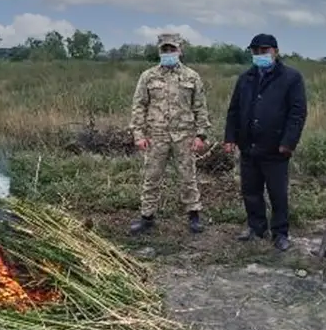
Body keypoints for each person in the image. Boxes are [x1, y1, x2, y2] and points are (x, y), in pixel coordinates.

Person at [223, 33, 307, 251]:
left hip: (276, 147)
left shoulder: (291, 78)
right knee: (250, 190)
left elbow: (297, 113)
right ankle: (256, 227)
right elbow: (234, 110)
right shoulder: (246, 78)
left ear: (275, 52)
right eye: (256, 51)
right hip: (248, 146)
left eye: (264, 51)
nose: (260, 55)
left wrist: (288, 142)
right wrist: (230, 137)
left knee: (277, 193)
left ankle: (280, 233)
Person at [129, 32, 211, 235]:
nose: (168, 52)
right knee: (151, 177)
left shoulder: (191, 77)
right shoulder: (148, 76)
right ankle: (147, 217)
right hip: (156, 136)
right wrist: (139, 135)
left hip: (184, 136)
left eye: (172, 48)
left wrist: (201, 135)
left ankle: (194, 216)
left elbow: (200, 107)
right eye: (164, 49)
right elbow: (139, 106)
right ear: (159, 51)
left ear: (180, 50)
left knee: (188, 177)